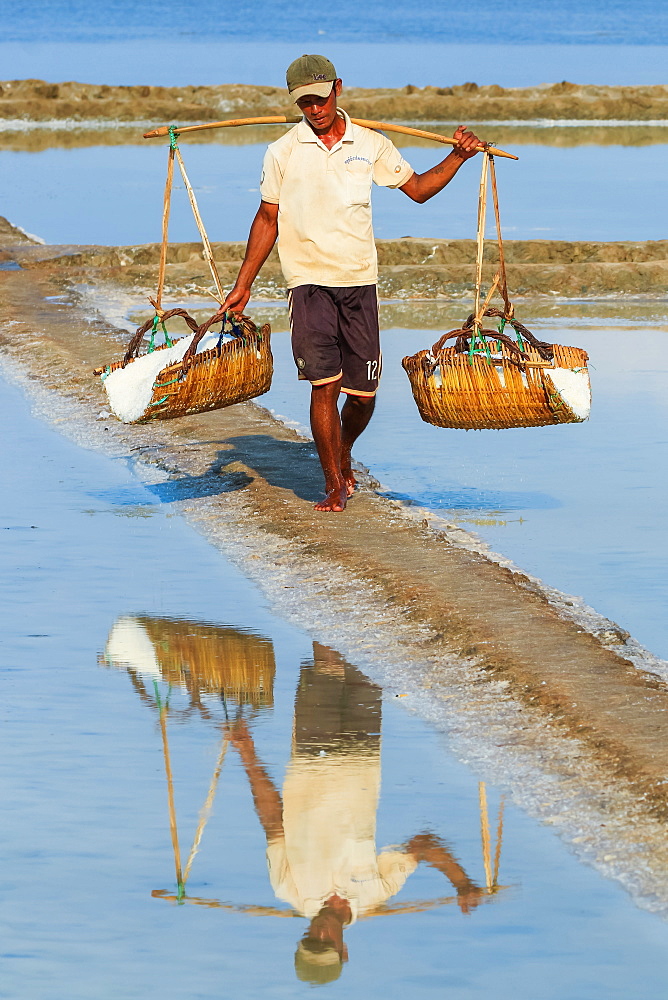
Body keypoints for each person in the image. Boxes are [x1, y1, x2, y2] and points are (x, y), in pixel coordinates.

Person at [220, 54, 482, 512]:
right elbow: (267, 218)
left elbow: (417, 189)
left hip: (359, 282)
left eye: (320, 99)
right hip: (307, 283)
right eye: (305, 103)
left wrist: (458, 157)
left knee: (362, 396)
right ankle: (333, 483)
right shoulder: (283, 151)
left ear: (337, 89)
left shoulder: (370, 144)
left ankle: (343, 454)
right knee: (324, 384)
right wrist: (244, 285)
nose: (315, 110)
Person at [228, 643, 486, 985]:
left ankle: (324, 591)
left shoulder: (288, 890)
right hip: (362, 754)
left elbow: (272, 820)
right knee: (365, 660)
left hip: (312, 754)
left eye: (309, 940)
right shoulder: (374, 895)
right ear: (343, 948)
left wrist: (248, 753)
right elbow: (422, 845)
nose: (319, 933)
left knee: (327, 662)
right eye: (325, 944)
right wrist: (461, 882)